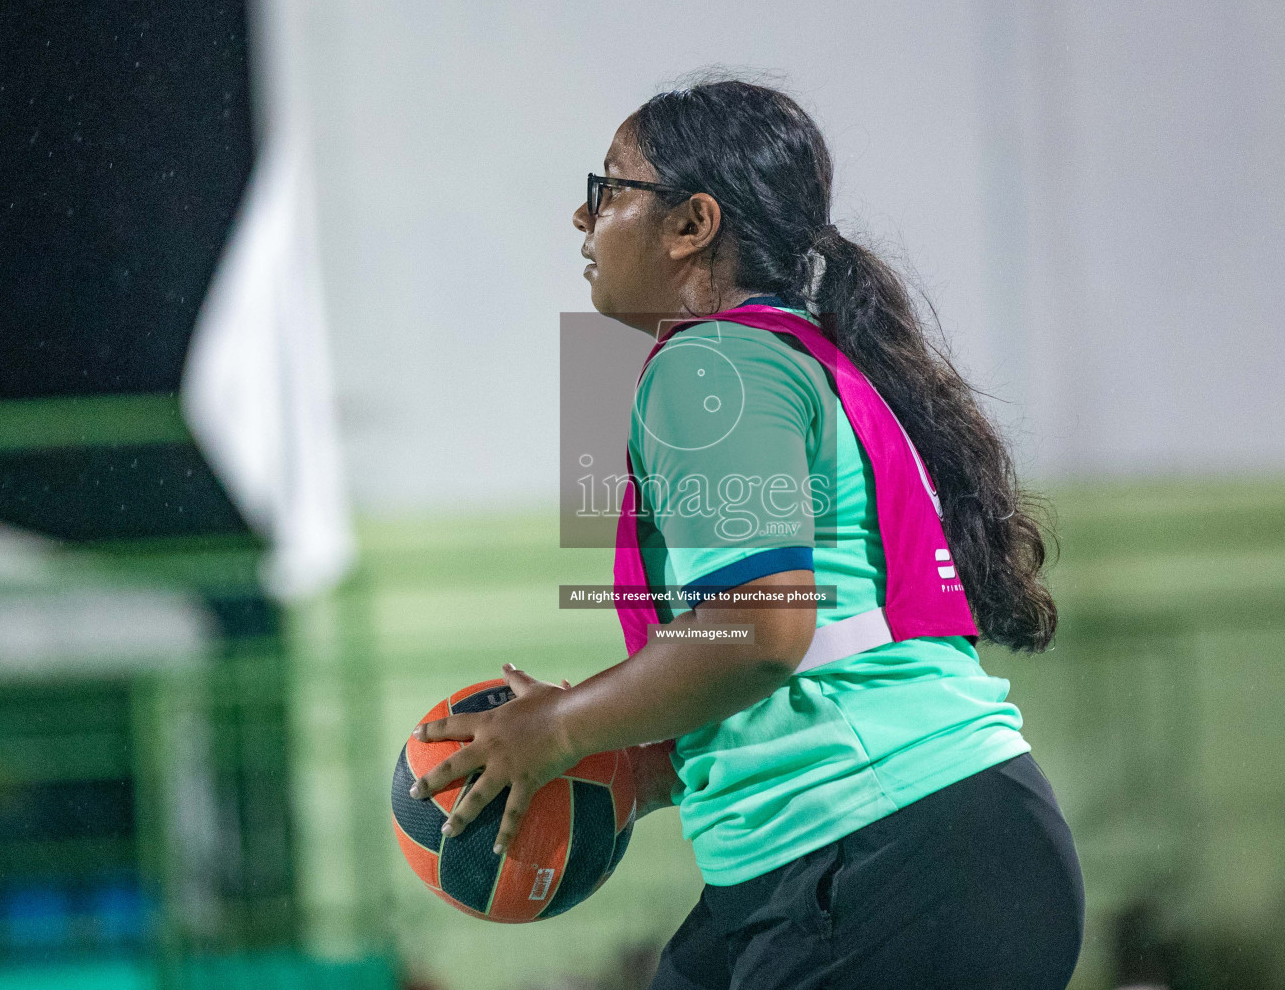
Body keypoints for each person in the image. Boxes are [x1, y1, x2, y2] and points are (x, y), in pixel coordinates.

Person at [408, 78, 1084, 990]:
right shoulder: (789, 357)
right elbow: (814, 649)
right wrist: (646, 762)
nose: (583, 214)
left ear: (691, 223)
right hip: (927, 848)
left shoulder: (711, 364)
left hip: (887, 847)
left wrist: (563, 726)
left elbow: (762, 632)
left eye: (610, 186)